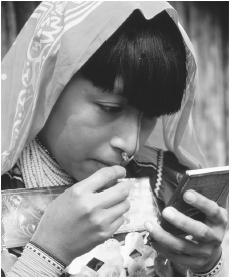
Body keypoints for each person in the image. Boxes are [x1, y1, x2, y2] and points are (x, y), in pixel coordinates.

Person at [1, 2, 228, 277]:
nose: (131, 144)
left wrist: (208, 266)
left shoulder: (168, 185)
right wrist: (46, 255)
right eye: (110, 108)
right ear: (49, 82)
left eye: (149, 117)